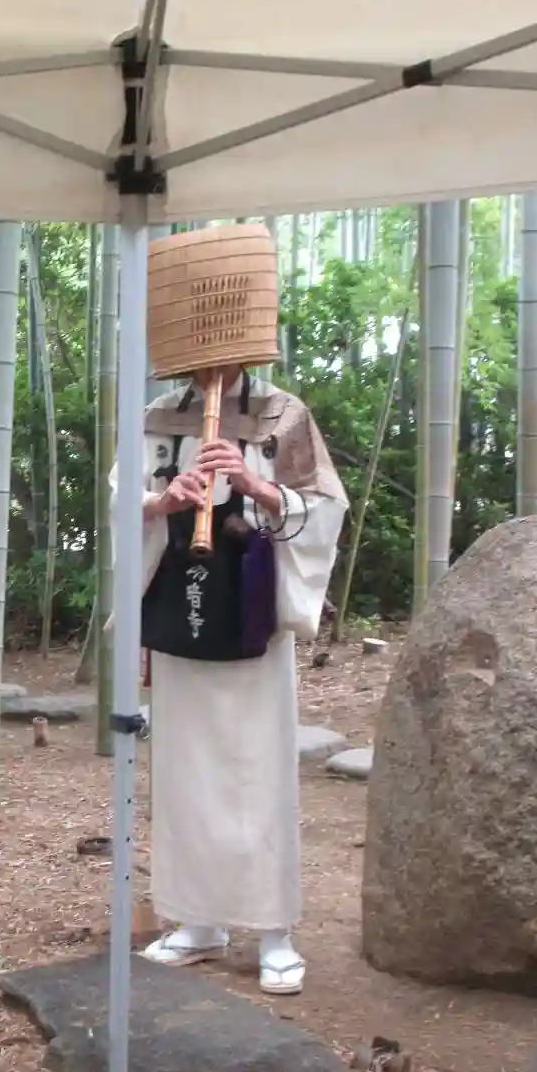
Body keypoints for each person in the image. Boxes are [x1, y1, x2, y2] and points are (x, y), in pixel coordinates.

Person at [135, 359, 346, 995]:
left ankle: (274, 931)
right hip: (182, 605)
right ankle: (199, 921)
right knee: (185, 774)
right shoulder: (159, 417)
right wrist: (163, 501)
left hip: (250, 609)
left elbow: (326, 509)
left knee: (258, 771)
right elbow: (122, 501)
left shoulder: (282, 415)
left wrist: (257, 487)